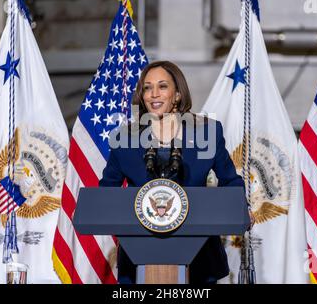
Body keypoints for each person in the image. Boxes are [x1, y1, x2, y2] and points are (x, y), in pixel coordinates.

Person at [99, 60, 246, 284]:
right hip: (139, 259)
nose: (154, 94)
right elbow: (107, 192)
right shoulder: (124, 139)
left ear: (177, 94)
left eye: (162, 86)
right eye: (147, 87)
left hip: (199, 260)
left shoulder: (207, 132)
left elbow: (231, 181)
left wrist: (240, 208)